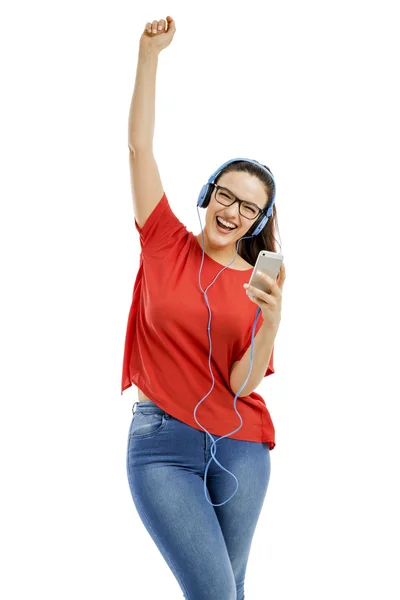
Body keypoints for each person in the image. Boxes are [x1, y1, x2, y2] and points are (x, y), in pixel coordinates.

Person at [123, 16, 286, 599]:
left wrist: (270, 324)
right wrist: (150, 55)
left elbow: (244, 383)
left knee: (230, 590)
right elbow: (140, 147)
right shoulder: (163, 237)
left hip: (241, 447)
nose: (231, 211)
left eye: (248, 207)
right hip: (162, 443)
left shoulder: (259, 284)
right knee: (216, 595)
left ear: (258, 223)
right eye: (225, 195)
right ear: (206, 195)